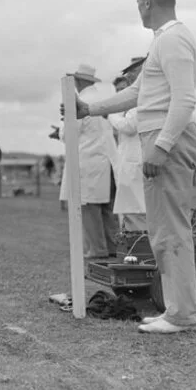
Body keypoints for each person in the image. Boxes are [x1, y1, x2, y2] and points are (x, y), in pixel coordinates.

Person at [70, 0, 196, 334]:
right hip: (160, 136)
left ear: (146, 1)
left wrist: (161, 147)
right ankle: (177, 309)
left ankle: (182, 315)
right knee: (162, 229)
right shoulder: (164, 41)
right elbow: (137, 94)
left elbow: (185, 99)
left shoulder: (173, 39)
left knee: (170, 230)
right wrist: (90, 109)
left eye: (137, 3)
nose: (138, 10)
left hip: (167, 140)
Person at [58, 64, 120, 258]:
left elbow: (69, 133)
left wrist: (59, 131)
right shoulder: (105, 100)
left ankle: (97, 248)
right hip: (109, 160)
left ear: (78, 81)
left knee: (89, 207)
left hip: (88, 160)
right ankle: (113, 247)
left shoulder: (81, 101)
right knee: (108, 209)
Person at [107, 58, 147, 232]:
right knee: (129, 210)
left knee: (136, 210)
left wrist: (111, 114)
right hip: (128, 160)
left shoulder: (143, 95)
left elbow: (129, 126)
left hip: (136, 160)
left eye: (133, 70)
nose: (129, 75)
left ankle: (138, 250)